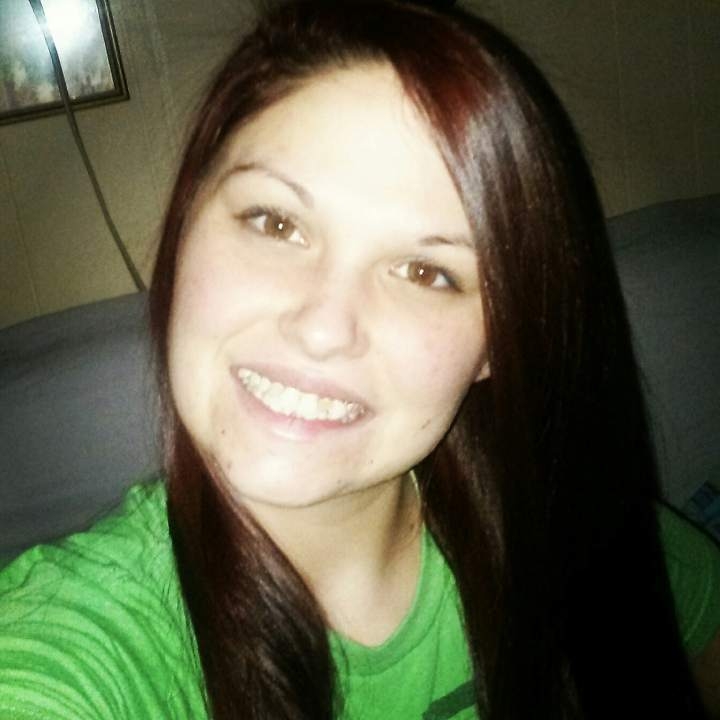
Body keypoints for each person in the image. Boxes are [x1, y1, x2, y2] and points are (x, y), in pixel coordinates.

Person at [1, 1, 719, 718]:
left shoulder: (574, 533)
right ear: (183, 226)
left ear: (497, 342)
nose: (323, 329)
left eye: (425, 273)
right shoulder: (75, 643)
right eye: (276, 222)